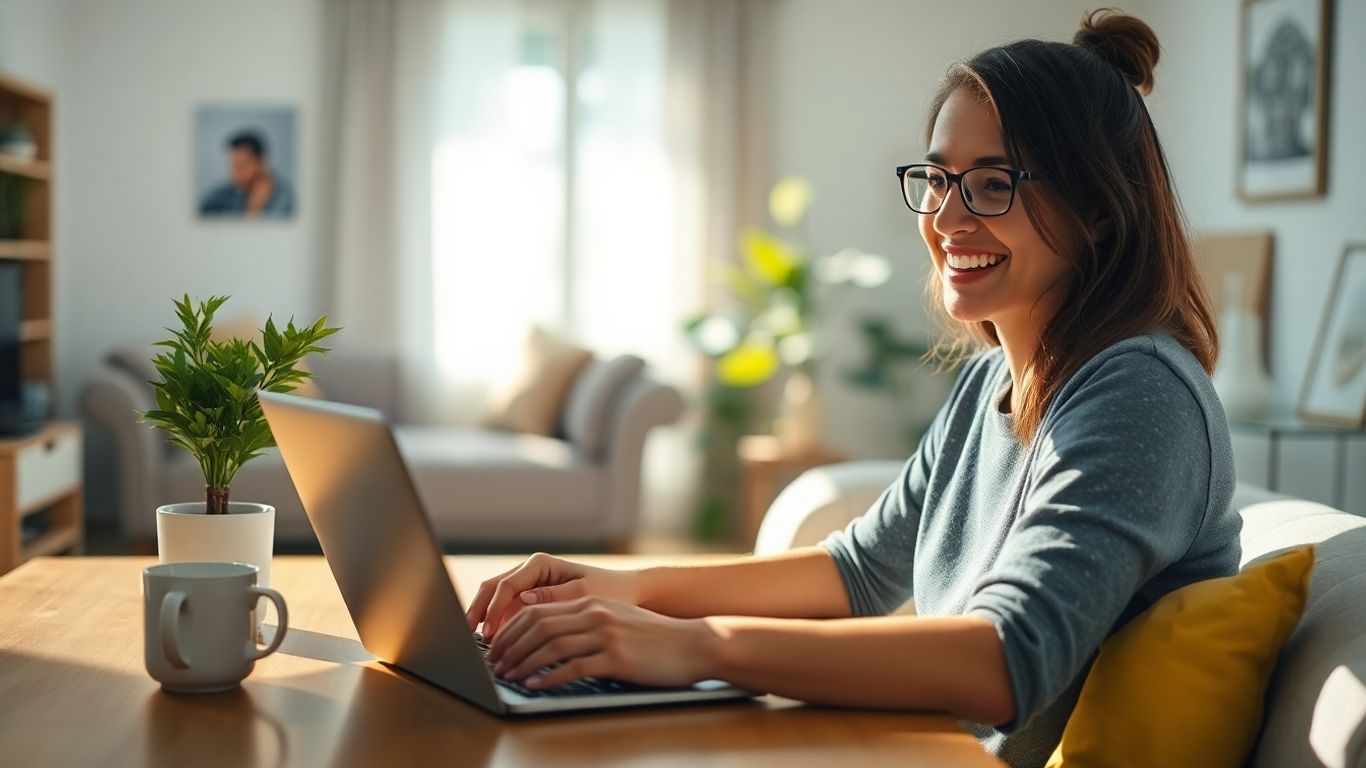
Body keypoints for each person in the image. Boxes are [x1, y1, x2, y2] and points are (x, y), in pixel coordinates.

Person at [465, 10, 1240, 767]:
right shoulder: (990, 385)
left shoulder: (1140, 392)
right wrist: (628, 590)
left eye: (992, 183)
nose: (947, 218)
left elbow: (1009, 656)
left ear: (1101, 210)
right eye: (937, 179)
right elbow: (858, 572)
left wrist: (692, 646)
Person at [199, 130, 295, 217]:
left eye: (241, 166)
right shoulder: (224, 194)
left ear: (261, 162)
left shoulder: (287, 199)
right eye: (232, 166)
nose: (235, 173)